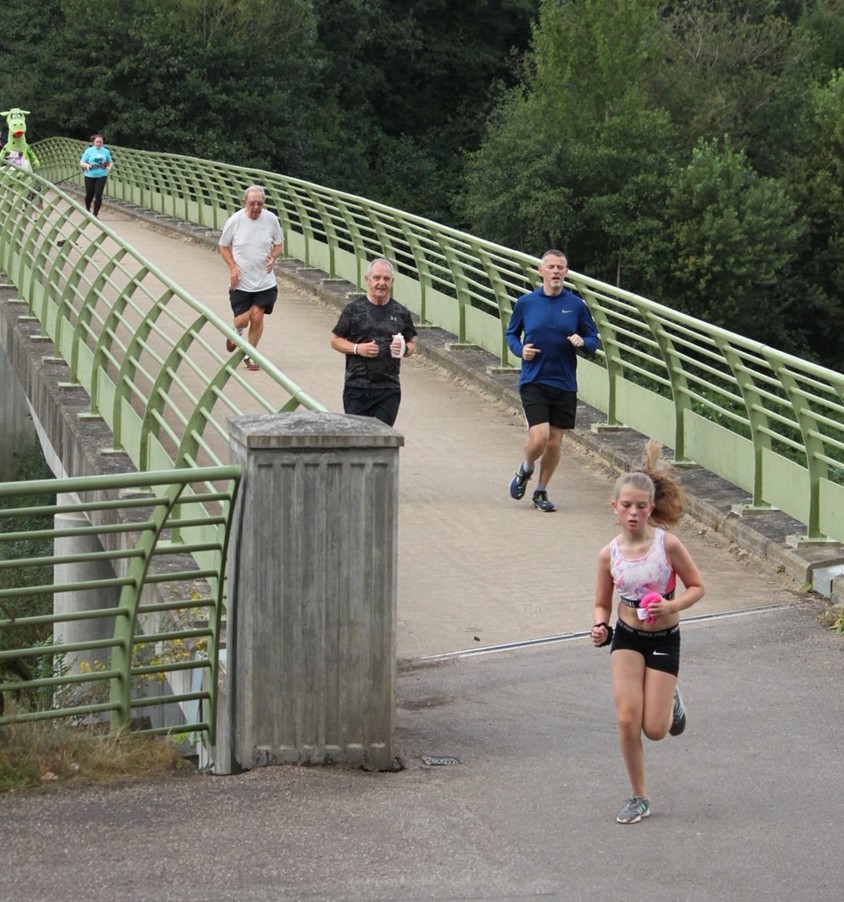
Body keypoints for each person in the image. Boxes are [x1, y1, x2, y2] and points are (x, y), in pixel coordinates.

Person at [591, 440, 705, 825]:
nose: (634, 512)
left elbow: (697, 587)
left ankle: (671, 700)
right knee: (626, 719)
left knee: (655, 730)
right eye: (626, 506)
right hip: (626, 637)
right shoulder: (609, 554)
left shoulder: (667, 544)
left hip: (663, 639)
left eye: (641, 506)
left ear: (651, 508)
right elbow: (602, 603)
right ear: (615, 508)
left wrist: (671, 606)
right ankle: (639, 796)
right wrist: (598, 624)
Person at [505, 249, 600, 512]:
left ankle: (541, 491)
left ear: (566, 273)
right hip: (534, 379)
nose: (556, 272)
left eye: (561, 267)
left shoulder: (577, 305)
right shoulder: (526, 302)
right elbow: (511, 334)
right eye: (551, 267)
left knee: (555, 441)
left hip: (565, 382)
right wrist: (519, 350)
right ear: (541, 271)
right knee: (539, 438)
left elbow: (594, 340)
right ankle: (526, 469)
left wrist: (584, 342)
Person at [330, 258, 417, 426]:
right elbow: (335, 340)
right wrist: (357, 348)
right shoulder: (353, 310)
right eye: (377, 278)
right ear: (367, 280)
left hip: (388, 388)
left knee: (382, 439)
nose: (381, 283)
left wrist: (405, 349)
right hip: (357, 387)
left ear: (392, 282)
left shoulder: (401, 312)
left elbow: (412, 343)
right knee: (357, 440)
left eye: (386, 279)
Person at [218, 185, 283, 372]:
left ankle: (251, 355)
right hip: (241, 281)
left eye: (260, 204)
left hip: (265, 280)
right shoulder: (235, 221)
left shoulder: (271, 220)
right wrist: (232, 268)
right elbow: (223, 246)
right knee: (242, 320)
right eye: (252, 203)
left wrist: (273, 256)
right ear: (245, 201)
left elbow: (279, 245)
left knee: (257, 317)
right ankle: (236, 332)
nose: (256, 207)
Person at [79, 134, 113, 217]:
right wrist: (87, 166)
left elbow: (110, 162)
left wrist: (109, 167)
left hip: (102, 175)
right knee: (89, 194)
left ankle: (95, 213)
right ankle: (87, 208)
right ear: (94, 142)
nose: (99, 144)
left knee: (98, 194)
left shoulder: (106, 151)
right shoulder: (89, 151)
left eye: (100, 142)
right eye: (97, 142)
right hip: (90, 175)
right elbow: (81, 163)